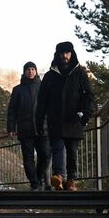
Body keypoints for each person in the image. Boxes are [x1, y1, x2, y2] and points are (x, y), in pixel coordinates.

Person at [36, 41, 94, 191]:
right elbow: (42, 100)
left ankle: (71, 180)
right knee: (57, 149)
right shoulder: (49, 76)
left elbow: (89, 95)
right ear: (58, 55)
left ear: (72, 54)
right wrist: (39, 120)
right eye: (62, 53)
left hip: (74, 119)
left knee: (72, 152)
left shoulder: (80, 73)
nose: (65, 56)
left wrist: (85, 114)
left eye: (67, 53)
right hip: (55, 119)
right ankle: (58, 177)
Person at [7, 62, 51, 190]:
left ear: (36, 71)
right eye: (28, 69)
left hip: (43, 128)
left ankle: (38, 176)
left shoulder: (44, 87)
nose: (30, 71)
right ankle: (35, 183)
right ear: (24, 72)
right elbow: (12, 111)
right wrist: (11, 128)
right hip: (25, 129)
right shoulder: (18, 89)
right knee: (28, 158)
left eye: (32, 69)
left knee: (45, 155)